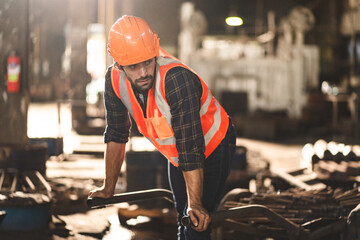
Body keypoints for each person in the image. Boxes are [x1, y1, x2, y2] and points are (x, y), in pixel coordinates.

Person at [89, 15, 236, 240]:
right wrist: (108, 188)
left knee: (195, 222)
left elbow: (190, 146)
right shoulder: (113, 80)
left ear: (155, 51)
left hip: (212, 144)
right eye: (134, 66)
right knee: (182, 217)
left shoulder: (176, 79)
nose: (144, 72)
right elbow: (116, 134)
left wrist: (195, 203)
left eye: (148, 61)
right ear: (118, 63)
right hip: (179, 151)